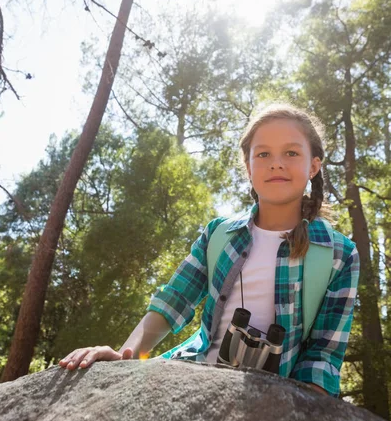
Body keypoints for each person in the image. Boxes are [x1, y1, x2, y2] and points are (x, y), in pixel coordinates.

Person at [59, 103, 360, 398]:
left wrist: (302, 418)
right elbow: (174, 299)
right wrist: (125, 354)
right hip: (190, 378)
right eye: (263, 153)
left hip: (274, 401)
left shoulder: (339, 254)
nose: (276, 163)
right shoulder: (219, 233)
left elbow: (323, 352)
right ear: (248, 167)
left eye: (291, 153)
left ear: (314, 166)